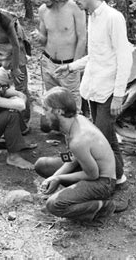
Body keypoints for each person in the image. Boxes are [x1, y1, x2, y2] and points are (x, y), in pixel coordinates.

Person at [55, 0, 133, 188]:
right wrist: (71, 66)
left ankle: (113, 180)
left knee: (102, 138)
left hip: (108, 91)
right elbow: (96, 56)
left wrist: (118, 95)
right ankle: (118, 176)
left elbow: (124, 58)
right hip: (93, 89)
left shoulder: (113, 17)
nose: (76, 1)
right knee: (106, 137)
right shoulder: (92, 16)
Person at [35, 87, 127, 226]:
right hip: (87, 166)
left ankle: (104, 206)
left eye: (46, 109)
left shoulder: (79, 140)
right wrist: (53, 177)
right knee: (42, 165)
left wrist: (59, 178)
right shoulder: (76, 120)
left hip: (103, 182)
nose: (44, 114)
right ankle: (77, 195)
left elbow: (93, 175)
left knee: (54, 205)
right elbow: (73, 157)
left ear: (58, 111)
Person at [31, 0, 87, 110]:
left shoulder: (74, 6)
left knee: (73, 107)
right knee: (53, 106)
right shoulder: (43, 10)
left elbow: (82, 38)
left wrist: (74, 67)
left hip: (68, 65)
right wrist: (38, 37)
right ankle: (59, 131)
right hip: (48, 63)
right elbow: (44, 39)